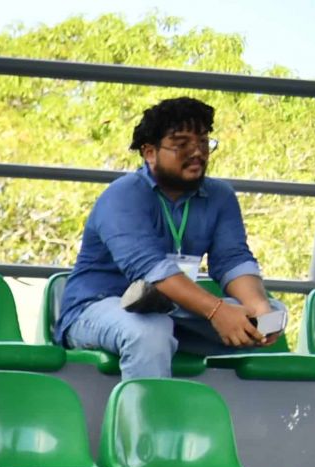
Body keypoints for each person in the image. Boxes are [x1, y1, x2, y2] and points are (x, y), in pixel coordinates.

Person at [55, 95, 276, 378]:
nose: (197, 153)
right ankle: (146, 422)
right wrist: (216, 311)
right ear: (149, 153)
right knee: (151, 331)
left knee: (268, 313)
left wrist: (259, 309)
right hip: (97, 307)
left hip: (170, 311)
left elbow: (233, 260)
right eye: (182, 144)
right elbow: (151, 270)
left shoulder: (220, 196)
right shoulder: (122, 196)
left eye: (204, 142)